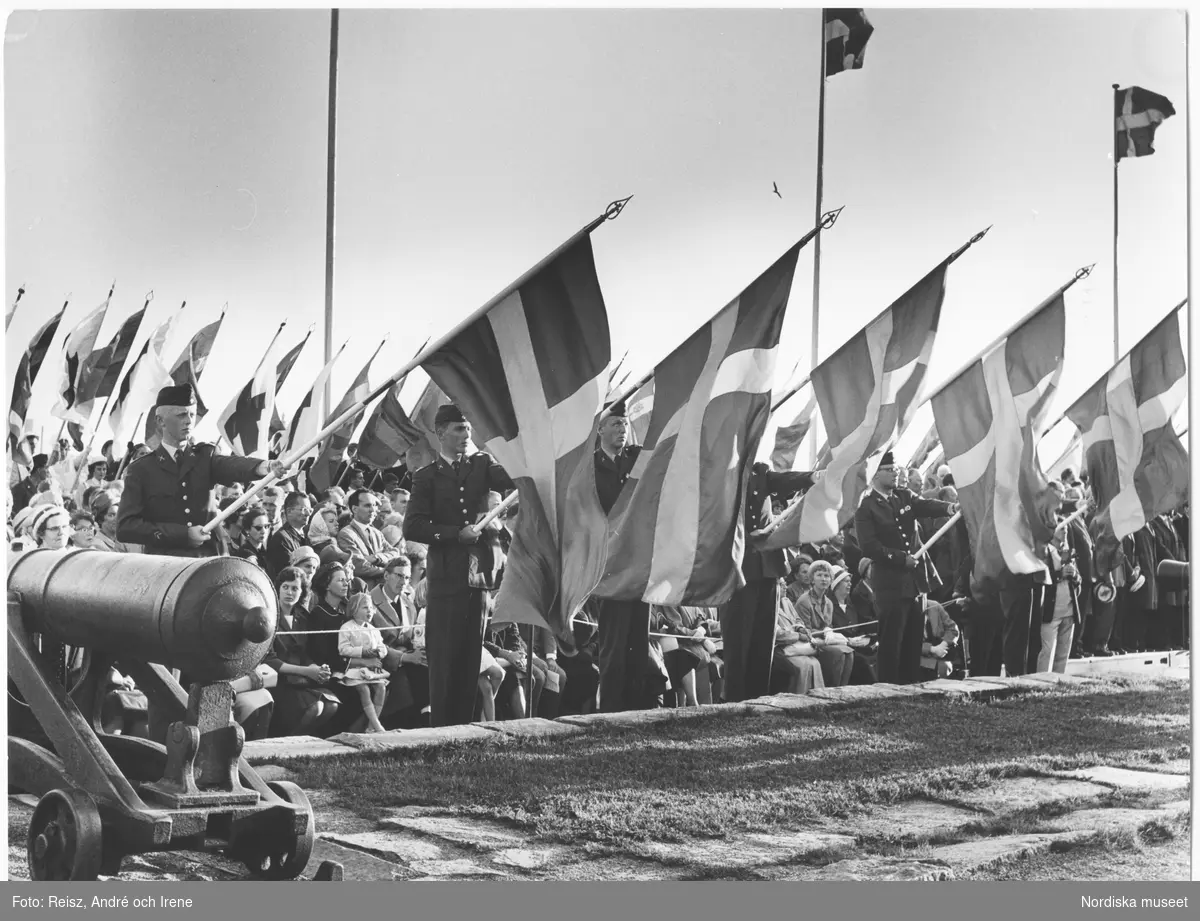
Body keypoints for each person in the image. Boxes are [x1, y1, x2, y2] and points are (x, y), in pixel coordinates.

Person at [403, 404, 514, 727]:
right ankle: (442, 727)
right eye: (458, 429)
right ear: (440, 433)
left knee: (470, 657)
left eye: (467, 428)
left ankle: (464, 727)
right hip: (447, 575)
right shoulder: (426, 477)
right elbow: (414, 527)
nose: (466, 435)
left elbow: (511, 477)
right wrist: (454, 534)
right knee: (445, 657)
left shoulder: (481, 465)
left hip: (477, 577)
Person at [116, 385, 289, 557]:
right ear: (161, 421)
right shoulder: (141, 470)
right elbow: (126, 528)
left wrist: (265, 466)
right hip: (166, 566)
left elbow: (232, 465)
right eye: (181, 415)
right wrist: (184, 534)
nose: (189, 421)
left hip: (207, 562)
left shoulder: (205, 456)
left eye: (191, 414)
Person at [853, 451, 957, 685]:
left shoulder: (903, 496)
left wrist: (949, 508)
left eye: (895, 468)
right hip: (890, 583)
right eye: (889, 470)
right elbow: (869, 546)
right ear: (875, 474)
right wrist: (900, 558)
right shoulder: (866, 506)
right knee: (891, 643)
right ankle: (888, 689)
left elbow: (925, 505)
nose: (895, 473)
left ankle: (910, 687)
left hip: (915, 582)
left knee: (913, 640)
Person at [726, 462, 818, 702]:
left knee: (763, 639)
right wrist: (745, 537)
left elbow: (783, 480)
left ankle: (758, 698)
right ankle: (736, 700)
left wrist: (812, 476)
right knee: (740, 639)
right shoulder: (723, 470)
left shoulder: (759, 472)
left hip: (768, 567)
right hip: (739, 566)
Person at [589, 401, 649, 713]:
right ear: (600, 429)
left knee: (638, 641)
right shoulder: (590, 465)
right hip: (609, 565)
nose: (622, 429)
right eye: (615, 424)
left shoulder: (637, 458)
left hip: (637, 562)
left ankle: (636, 710)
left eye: (624, 424)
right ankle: (611, 711)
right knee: (613, 643)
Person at [262, 566, 340, 736]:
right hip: (280, 682)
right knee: (315, 707)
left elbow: (304, 653)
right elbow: (270, 660)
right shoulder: (268, 616)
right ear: (277, 589)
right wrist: (307, 671)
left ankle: (304, 742)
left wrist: (317, 669)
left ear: (302, 592)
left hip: (301, 680)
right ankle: (289, 741)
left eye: (295, 588)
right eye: (285, 587)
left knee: (331, 705)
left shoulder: (302, 616)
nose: (289, 592)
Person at [370, 555, 429, 728]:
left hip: (407, 658)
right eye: (399, 575)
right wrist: (404, 658)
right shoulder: (369, 602)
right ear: (386, 576)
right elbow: (372, 643)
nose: (403, 581)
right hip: (381, 662)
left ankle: (426, 722)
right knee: (406, 685)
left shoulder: (408, 604)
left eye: (407, 577)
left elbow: (411, 637)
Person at [792, 560, 854, 687]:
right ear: (812, 579)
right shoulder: (804, 601)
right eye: (819, 575)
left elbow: (828, 625)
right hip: (809, 643)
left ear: (831, 580)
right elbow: (805, 632)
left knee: (849, 652)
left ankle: (842, 690)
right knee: (838, 653)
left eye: (826, 576)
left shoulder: (829, 603)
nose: (823, 579)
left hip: (823, 641)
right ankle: (831, 690)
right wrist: (825, 633)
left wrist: (828, 631)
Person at [336, 593, 391, 733]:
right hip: (355, 669)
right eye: (365, 607)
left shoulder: (373, 630)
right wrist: (362, 651)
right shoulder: (346, 628)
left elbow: (382, 647)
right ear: (354, 609)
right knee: (364, 689)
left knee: (381, 688)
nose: (369, 611)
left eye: (371, 608)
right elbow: (343, 649)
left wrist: (379, 652)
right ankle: (377, 725)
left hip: (372, 670)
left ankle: (372, 726)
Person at [337, 488, 400, 590]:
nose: (372, 509)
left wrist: (377, 558)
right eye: (367, 505)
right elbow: (359, 567)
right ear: (355, 509)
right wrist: (388, 572)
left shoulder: (377, 533)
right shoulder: (346, 534)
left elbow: (396, 553)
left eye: (374, 505)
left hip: (383, 591)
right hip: (362, 591)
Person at [266, 491, 312, 578]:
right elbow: (287, 575)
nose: (308, 514)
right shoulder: (281, 539)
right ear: (289, 511)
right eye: (304, 509)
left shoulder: (306, 535)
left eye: (310, 510)